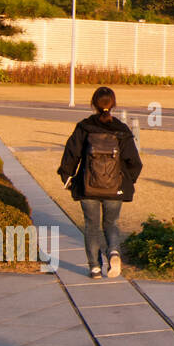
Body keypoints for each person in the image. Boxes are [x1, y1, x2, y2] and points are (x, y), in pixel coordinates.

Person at [57, 87, 143, 279]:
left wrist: (68, 177)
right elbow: (134, 162)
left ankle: (95, 268)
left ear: (93, 104)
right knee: (111, 223)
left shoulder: (84, 127)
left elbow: (71, 154)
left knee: (91, 226)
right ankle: (113, 251)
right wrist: (126, 181)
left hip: (88, 187)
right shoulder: (121, 130)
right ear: (113, 104)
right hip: (115, 187)